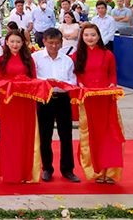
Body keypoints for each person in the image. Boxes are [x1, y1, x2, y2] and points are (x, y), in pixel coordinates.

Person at [72, 23, 125, 184]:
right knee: (91, 135)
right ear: (82, 37)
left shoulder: (108, 54)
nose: (90, 38)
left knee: (110, 134)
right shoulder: (77, 56)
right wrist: (80, 84)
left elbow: (112, 74)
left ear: (98, 36)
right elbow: (76, 76)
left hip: (106, 100)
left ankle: (111, 172)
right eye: (86, 35)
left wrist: (112, 85)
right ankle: (96, 171)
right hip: (88, 101)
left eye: (93, 35)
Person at [33, 28, 79, 183]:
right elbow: (33, 78)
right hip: (44, 99)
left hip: (62, 98)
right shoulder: (36, 58)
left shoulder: (67, 60)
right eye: (50, 43)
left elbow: (73, 80)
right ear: (44, 41)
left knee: (66, 135)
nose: (54, 46)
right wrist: (46, 82)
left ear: (61, 43)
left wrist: (61, 83)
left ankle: (67, 169)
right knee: (45, 135)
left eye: (57, 43)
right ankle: (47, 168)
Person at [0, 31, 40, 183]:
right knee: (9, 138)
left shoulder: (28, 59)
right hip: (9, 102)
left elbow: (34, 80)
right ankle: (11, 173)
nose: (15, 45)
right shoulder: (1, 60)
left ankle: (25, 173)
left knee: (26, 136)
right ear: (6, 42)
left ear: (23, 43)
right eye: (12, 41)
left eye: (18, 42)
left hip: (25, 102)